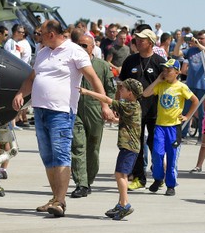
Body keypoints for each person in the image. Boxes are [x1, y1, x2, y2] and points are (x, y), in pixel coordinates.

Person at [12, 20, 111, 218]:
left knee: (61, 155)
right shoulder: (42, 52)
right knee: (48, 157)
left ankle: (60, 201)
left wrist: (104, 104)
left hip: (62, 112)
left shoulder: (75, 52)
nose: (38, 36)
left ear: (51, 34)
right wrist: (20, 94)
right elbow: (33, 78)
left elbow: (93, 79)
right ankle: (56, 198)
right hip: (40, 111)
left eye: (41, 33)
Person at [80, 78, 143, 220]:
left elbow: (107, 100)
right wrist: (115, 120)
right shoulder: (135, 105)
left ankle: (124, 203)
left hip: (128, 147)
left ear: (130, 93)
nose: (120, 90)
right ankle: (121, 203)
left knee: (120, 174)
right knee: (121, 174)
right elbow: (129, 122)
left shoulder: (128, 105)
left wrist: (87, 91)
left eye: (123, 88)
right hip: (131, 147)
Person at [119, 28, 167, 190]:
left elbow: (168, 87)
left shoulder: (160, 63)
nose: (138, 42)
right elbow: (122, 85)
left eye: (142, 40)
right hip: (134, 113)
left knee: (156, 146)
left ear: (151, 43)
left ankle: (159, 176)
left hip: (155, 112)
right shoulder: (130, 61)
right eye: (137, 39)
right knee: (135, 146)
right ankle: (139, 178)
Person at [142, 58, 199, 196]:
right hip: (160, 126)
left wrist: (187, 116)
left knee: (172, 156)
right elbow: (145, 93)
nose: (166, 72)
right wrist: (157, 80)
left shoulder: (181, 87)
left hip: (174, 127)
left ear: (177, 72)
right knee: (157, 153)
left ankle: (171, 184)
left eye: (169, 70)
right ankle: (158, 178)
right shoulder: (161, 85)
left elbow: (195, 101)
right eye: (164, 70)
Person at [70, 33, 115, 198]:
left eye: (85, 46)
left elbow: (110, 89)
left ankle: (88, 180)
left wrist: (109, 107)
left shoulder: (102, 66)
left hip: (95, 109)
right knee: (78, 146)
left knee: (93, 148)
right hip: (75, 109)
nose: (81, 48)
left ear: (92, 48)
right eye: (79, 45)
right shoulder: (71, 63)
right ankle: (81, 183)